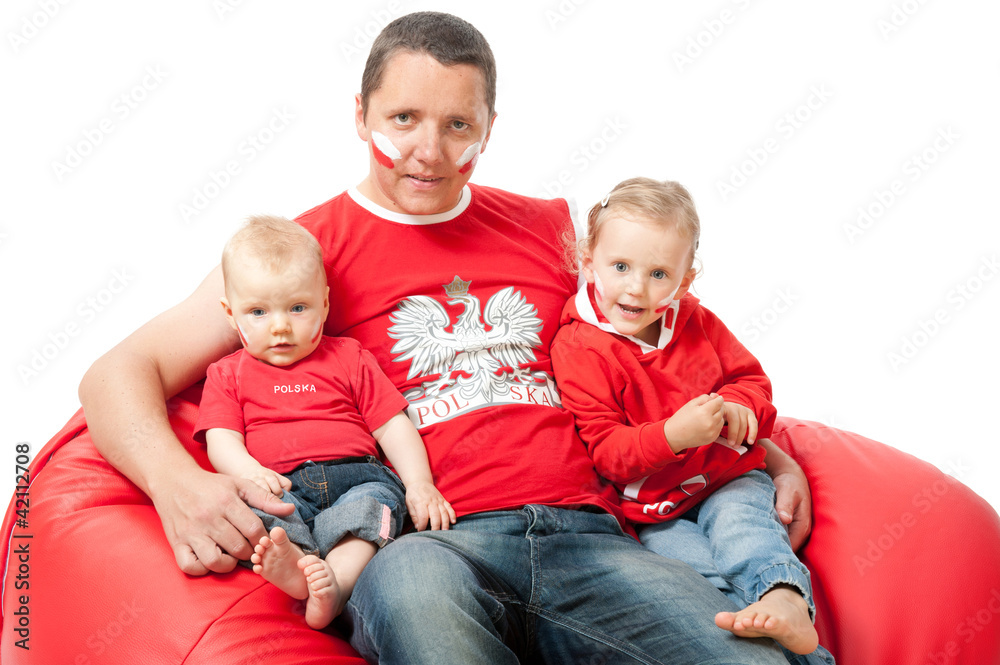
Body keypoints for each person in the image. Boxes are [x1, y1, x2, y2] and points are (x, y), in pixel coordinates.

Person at [79, 11, 812, 664]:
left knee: (747, 651)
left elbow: (651, 356)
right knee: (416, 601)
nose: (428, 150)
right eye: (402, 118)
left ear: (489, 128)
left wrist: (763, 450)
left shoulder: (553, 229)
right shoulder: (302, 255)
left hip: (590, 537)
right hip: (432, 544)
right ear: (360, 115)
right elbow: (118, 372)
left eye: (457, 125)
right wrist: (178, 485)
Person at [550, 178, 834, 664]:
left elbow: (751, 382)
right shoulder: (579, 346)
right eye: (620, 267)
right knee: (696, 577)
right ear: (587, 259)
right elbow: (606, 451)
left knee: (742, 528)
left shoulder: (697, 322)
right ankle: (778, 642)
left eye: (659, 274)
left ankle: (785, 594)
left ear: (684, 279)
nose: (636, 287)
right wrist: (671, 436)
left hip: (725, 477)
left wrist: (741, 409)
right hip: (657, 509)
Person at [194, 214, 455, 629]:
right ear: (231, 314)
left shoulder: (348, 356)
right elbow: (222, 439)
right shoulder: (228, 373)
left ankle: (334, 582)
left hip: (357, 477)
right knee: (250, 516)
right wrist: (251, 472)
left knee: (376, 509)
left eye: (298, 307)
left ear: (325, 303)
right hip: (279, 487)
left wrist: (420, 483)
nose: (280, 326)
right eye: (258, 312)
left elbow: (392, 425)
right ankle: (296, 563)